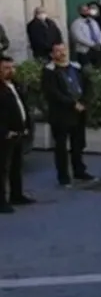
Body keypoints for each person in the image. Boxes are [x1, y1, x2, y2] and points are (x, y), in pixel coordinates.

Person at [41, 42, 96, 186]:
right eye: (57, 51)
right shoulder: (49, 71)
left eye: (63, 50)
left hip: (79, 112)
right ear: (52, 55)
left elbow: (88, 85)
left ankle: (79, 171)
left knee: (78, 144)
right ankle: (63, 176)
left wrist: (84, 102)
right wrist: (72, 103)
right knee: (61, 147)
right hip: (61, 114)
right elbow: (52, 93)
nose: (62, 53)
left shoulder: (76, 67)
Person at [0, 55, 35, 212]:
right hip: (5, 135)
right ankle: (1, 201)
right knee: (2, 168)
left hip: (19, 132)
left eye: (12, 67)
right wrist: (5, 131)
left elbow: (22, 106)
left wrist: (26, 126)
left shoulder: (15, 85)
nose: (11, 71)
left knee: (16, 165)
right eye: (6, 68)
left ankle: (17, 194)